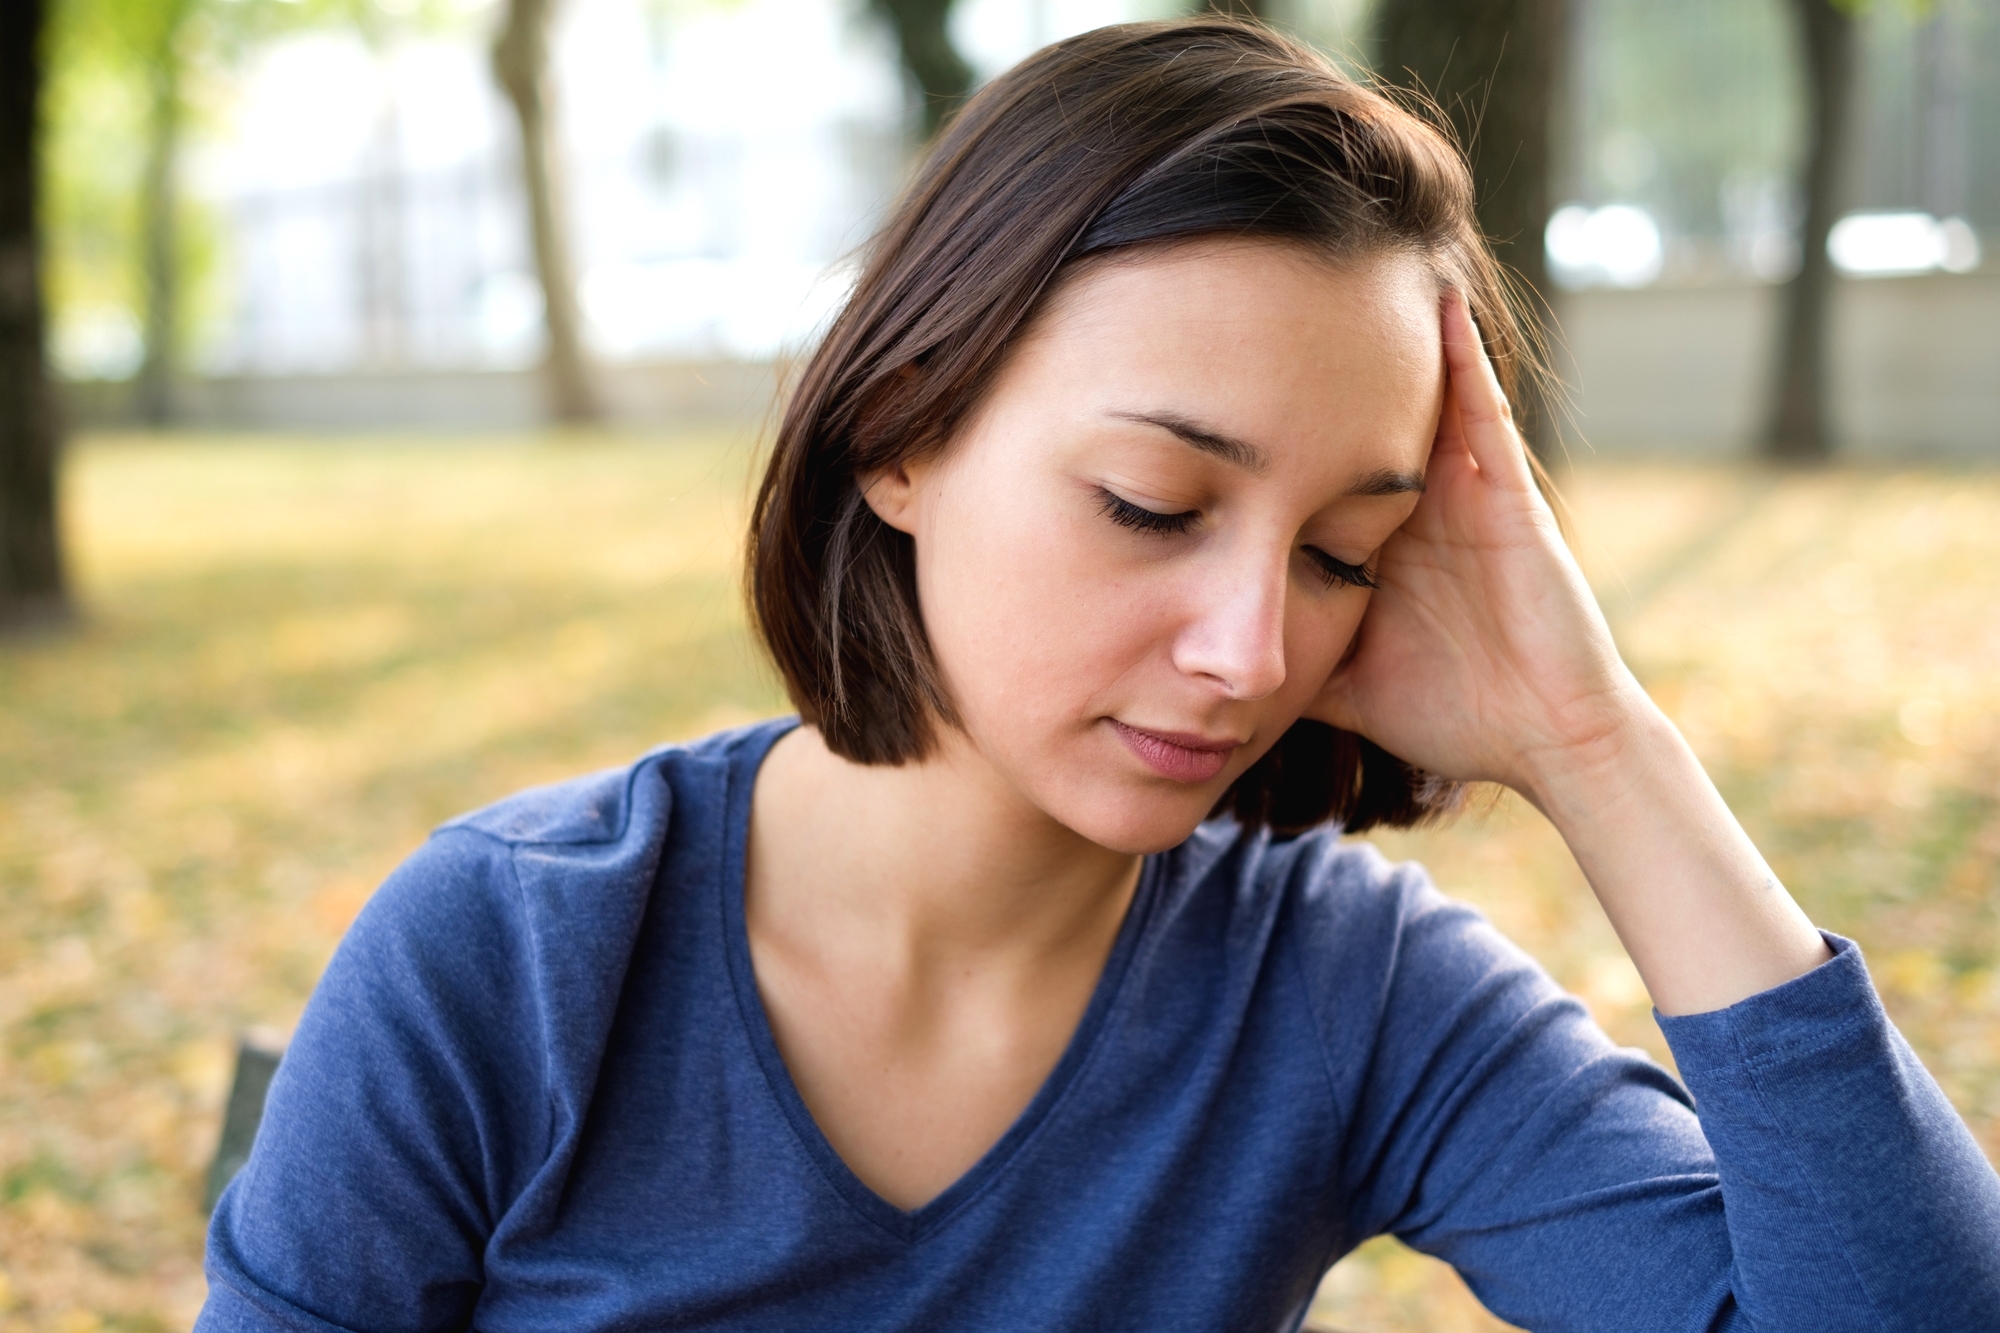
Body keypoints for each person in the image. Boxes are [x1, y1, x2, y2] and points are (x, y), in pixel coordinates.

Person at [198, 19, 2000, 1332]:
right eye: (1154, 503)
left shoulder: (1343, 989)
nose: (1251, 649)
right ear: (901, 432)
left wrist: (1598, 741)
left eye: (1341, 552)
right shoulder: (510, 957)